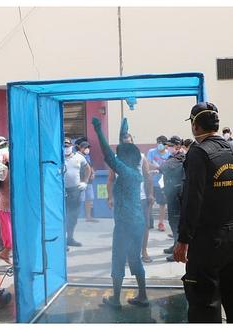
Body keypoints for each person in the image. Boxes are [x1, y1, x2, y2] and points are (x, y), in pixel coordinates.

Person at [174, 102, 233, 323]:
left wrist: (183, 239)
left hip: (206, 243)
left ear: (195, 126)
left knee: (204, 308)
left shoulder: (198, 153)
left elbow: (192, 199)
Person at [92, 117, 148, 308]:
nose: (118, 157)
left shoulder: (126, 171)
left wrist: (98, 130)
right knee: (134, 258)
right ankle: (142, 296)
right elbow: (119, 154)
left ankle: (115, 300)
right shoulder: (134, 171)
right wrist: (123, 131)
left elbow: (109, 156)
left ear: (126, 158)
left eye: (121, 155)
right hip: (137, 222)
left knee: (118, 259)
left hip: (125, 223)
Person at [107, 132, 154, 263]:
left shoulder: (141, 157)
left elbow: (147, 176)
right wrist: (110, 197)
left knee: (143, 226)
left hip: (140, 199)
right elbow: (110, 180)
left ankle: (143, 251)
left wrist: (150, 194)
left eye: (129, 143)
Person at [161, 136, 186, 262]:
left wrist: (157, 167)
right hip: (172, 193)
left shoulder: (180, 157)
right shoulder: (174, 157)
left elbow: (165, 167)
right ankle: (175, 245)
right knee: (172, 221)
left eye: (170, 146)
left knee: (175, 222)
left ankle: (178, 249)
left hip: (177, 195)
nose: (168, 147)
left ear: (177, 146)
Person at [64, 137, 90, 247]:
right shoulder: (57, 157)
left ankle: (70, 238)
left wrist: (85, 182)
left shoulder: (79, 157)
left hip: (75, 191)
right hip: (61, 191)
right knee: (61, 217)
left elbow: (88, 169)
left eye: (67, 146)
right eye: (64, 146)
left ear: (72, 146)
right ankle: (62, 242)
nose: (66, 148)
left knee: (73, 216)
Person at [0, 150, 13, 264]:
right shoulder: (4, 172)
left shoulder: (9, 172)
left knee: (14, 237)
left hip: (13, 208)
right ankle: (4, 253)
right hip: (5, 208)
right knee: (9, 238)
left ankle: (5, 253)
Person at [146, 135, 170, 231]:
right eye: (158, 142)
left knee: (162, 204)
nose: (159, 145)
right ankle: (148, 222)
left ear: (166, 145)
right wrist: (157, 168)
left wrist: (160, 169)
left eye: (162, 143)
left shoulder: (169, 155)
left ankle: (161, 223)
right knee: (149, 202)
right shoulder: (151, 152)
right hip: (151, 182)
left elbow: (168, 167)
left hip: (162, 183)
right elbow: (147, 163)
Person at [78, 141, 97, 222]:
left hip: (88, 182)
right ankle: (77, 217)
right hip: (80, 181)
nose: (87, 149)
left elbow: (90, 166)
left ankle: (88, 217)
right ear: (81, 148)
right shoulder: (77, 156)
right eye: (85, 147)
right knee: (79, 199)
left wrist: (93, 173)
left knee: (89, 199)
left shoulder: (87, 156)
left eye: (88, 147)